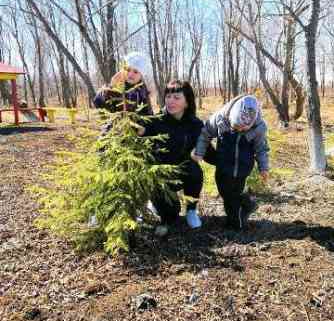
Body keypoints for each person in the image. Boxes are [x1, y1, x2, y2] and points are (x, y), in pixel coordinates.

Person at [137, 80, 215, 237]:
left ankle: (191, 211)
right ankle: (157, 203)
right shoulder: (156, 121)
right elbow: (140, 133)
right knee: (171, 217)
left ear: (187, 102)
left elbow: (207, 151)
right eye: (168, 96)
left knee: (194, 171)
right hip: (161, 177)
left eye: (177, 97)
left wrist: (226, 161)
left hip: (184, 171)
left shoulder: (195, 124)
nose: (170, 101)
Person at [192, 94, 269, 229]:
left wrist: (264, 168)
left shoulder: (259, 127)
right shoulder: (220, 118)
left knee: (233, 196)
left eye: (242, 129)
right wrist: (199, 152)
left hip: (243, 168)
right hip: (223, 165)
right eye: (236, 127)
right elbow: (205, 134)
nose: (238, 130)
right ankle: (247, 205)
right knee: (225, 193)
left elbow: (261, 148)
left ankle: (236, 224)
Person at [94, 52, 153, 134]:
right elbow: (98, 103)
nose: (130, 74)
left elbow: (149, 114)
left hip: (135, 134)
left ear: (141, 75)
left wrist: (142, 127)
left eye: (135, 72)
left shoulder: (142, 91)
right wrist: (111, 86)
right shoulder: (117, 86)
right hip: (114, 131)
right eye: (128, 70)